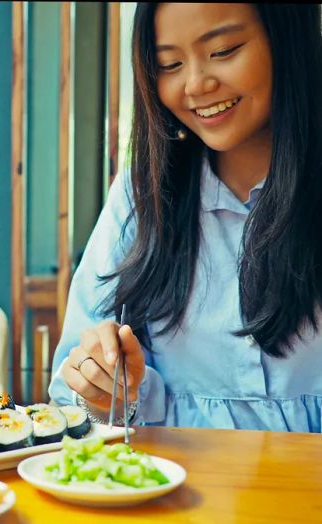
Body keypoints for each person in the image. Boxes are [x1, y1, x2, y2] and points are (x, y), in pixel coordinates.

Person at [50, 3, 322, 432]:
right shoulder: (144, 193)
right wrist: (102, 388)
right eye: (169, 64)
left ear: (285, 39)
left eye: (224, 50)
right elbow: (73, 391)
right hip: (177, 489)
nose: (196, 84)